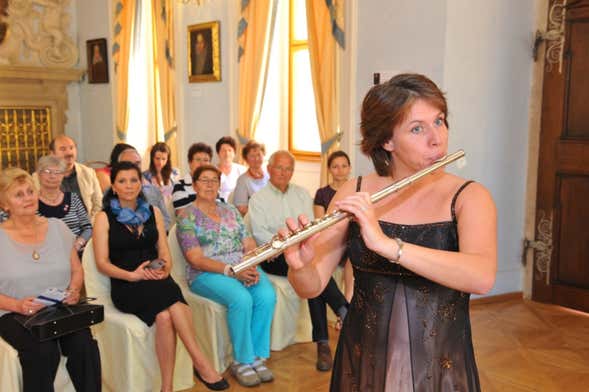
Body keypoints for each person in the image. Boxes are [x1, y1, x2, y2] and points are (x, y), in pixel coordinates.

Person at [281, 73, 497, 391]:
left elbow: (481, 276)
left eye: (439, 121)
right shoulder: (353, 194)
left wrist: (387, 245)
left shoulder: (468, 197)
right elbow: (311, 287)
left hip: (439, 367)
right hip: (364, 363)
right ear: (387, 140)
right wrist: (299, 266)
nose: (436, 138)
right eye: (417, 128)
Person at [92, 161, 228, 392]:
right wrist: (132, 276)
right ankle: (201, 362)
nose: (129, 186)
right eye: (122, 181)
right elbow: (102, 263)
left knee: (165, 317)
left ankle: (166, 387)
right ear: (113, 186)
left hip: (156, 277)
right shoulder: (104, 218)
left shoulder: (152, 212)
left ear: (141, 183)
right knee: (171, 296)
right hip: (127, 284)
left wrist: (164, 267)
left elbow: (163, 249)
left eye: (134, 180)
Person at [0, 168, 101, 392]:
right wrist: (17, 305)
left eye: (30, 191)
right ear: (4, 204)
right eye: (19, 195)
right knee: (42, 351)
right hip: (12, 312)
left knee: (85, 346)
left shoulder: (58, 227)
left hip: (57, 308)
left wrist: (74, 291)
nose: (28, 198)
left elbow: (76, 270)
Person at [176, 165, 276, 387]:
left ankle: (258, 357)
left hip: (241, 266)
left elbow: (249, 243)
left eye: (214, 180)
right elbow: (195, 258)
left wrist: (251, 264)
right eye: (204, 180)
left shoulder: (230, 210)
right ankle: (242, 360)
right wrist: (231, 271)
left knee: (267, 295)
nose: (210, 185)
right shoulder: (187, 217)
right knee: (241, 299)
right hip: (207, 273)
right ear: (194, 184)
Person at [314, 150, 354, 303]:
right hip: (332, 237)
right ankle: (341, 309)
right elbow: (321, 223)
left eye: (344, 166)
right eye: (335, 166)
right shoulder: (322, 193)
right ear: (329, 169)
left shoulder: (358, 190)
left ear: (350, 168)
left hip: (353, 236)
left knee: (354, 251)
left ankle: (348, 301)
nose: (340, 170)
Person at [33, 135, 103, 221]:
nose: (69, 153)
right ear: (52, 154)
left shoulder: (88, 173)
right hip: (53, 227)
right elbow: (35, 207)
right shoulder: (39, 177)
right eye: (63, 149)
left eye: (71, 148)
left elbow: (98, 204)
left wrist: (89, 226)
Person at [36, 155, 92, 256]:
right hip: (46, 255)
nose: (52, 176)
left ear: (63, 176)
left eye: (57, 172)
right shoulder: (31, 203)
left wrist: (78, 243)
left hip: (77, 253)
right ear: (39, 174)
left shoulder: (73, 198)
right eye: (48, 172)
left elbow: (88, 227)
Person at [117, 146, 172, 231]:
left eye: (137, 163)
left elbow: (166, 221)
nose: (134, 167)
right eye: (129, 164)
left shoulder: (153, 190)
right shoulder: (112, 191)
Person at [172, 142, 214, 211]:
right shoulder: (180, 185)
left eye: (206, 160)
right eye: (198, 160)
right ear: (190, 162)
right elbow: (183, 216)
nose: (202, 164)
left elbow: (221, 209)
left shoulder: (213, 184)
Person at [232, 140, 269, 216]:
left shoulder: (270, 176)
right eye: (252, 156)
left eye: (259, 155)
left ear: (263, 155)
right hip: (254, 218)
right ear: (246, 159)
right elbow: (241, 208)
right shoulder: (242, 180)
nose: (256, 158)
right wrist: (262, 214)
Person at [143, 142, 180, 209]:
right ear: (152, 158)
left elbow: (177, 194)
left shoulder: (174, 173)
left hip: (172, 210)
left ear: (168, 159)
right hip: (155, 212)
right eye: (157, 158)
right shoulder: (145, 176)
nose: (160, 162)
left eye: (163, 159)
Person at [216, 136, 246, 202]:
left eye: (230, 150)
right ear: (218, 153)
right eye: (223, 150)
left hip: (237, 206)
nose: (227, 154)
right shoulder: (211, 171)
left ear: (234, 153)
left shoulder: (242, 170)